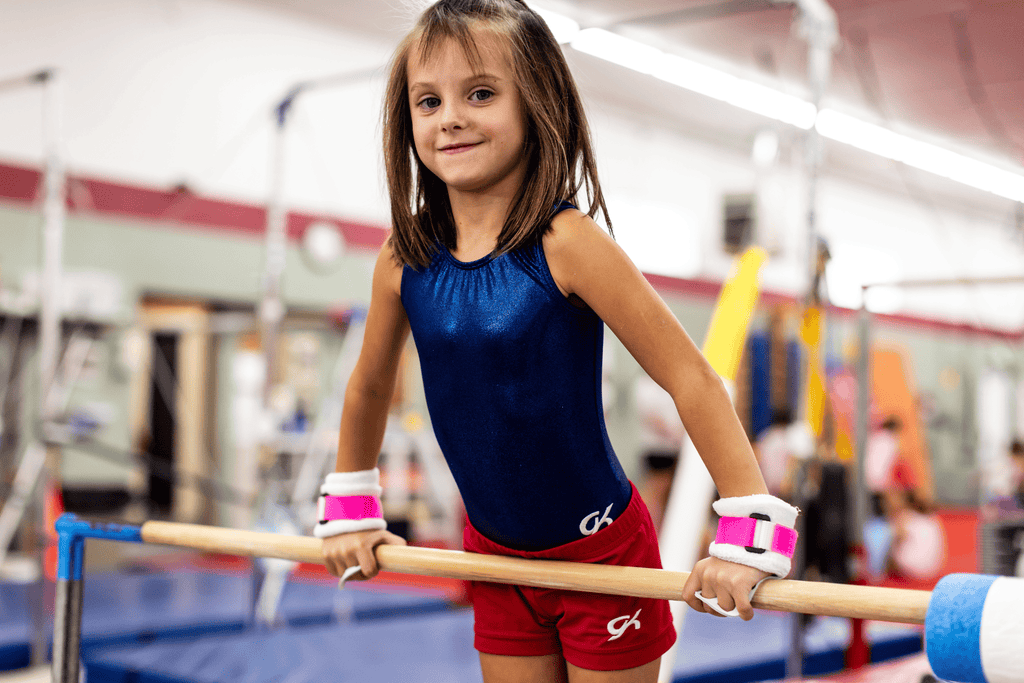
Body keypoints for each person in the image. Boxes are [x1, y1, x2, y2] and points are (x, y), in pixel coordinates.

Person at [315, 2, 797, 681]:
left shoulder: (568, 243)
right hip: (496, 557)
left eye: (479, 93)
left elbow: (692, 376)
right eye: (429, 100)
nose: (450, 115)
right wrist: (352, 508)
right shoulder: (405, 257)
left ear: (537, 102)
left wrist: (747, 529)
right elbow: (367, 384)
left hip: (602, 553)